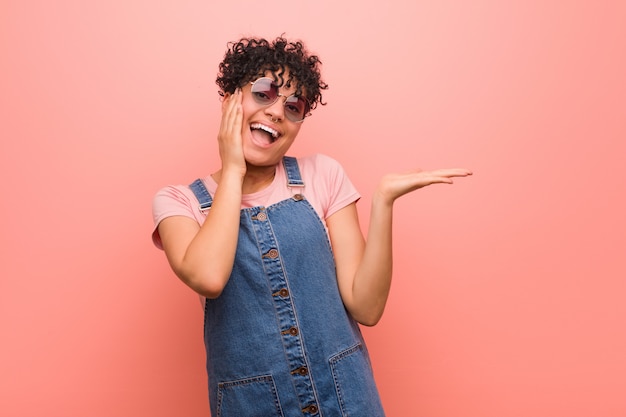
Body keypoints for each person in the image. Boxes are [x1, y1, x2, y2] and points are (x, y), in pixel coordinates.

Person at [151, 36, 471, 416]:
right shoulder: (179, 202)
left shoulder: (323, 174)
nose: (276, 112)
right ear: (230, 100)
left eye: (293, 106)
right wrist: (233, 168)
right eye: (264, 93)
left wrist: (383, 202)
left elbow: (366, 308)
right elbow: (209, 276)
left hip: (347, 399)